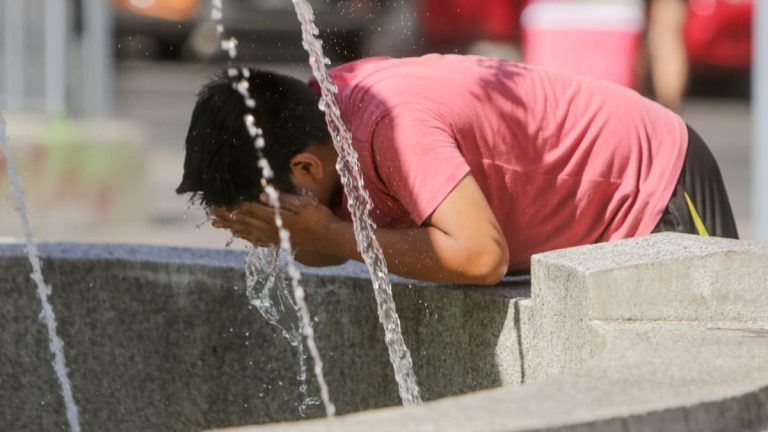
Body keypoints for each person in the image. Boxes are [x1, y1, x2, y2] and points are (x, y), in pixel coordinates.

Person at [176, 54, 738, 286]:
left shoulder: (391, 128)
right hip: (572, 226)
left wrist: (322, 232)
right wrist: (298, 233)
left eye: (263, 203)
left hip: (653, 182)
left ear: (302, 166)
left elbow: (479, 256)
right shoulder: (316, 128)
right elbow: (329, 246)